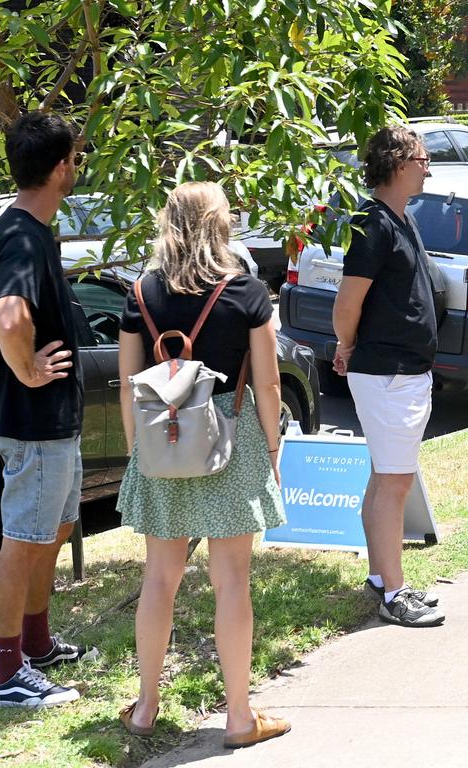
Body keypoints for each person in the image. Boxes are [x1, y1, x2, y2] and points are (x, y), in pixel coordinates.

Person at [116, 181, 289, 748]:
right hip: (230, 438)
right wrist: (273, 448)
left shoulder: (140, 292)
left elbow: (127, 385)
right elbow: (267, 383)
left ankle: (145, 709)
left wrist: (139, 455)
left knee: (159, 578)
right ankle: (239, 717)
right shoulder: (245, 293)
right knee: (231, 581)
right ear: (220, 224)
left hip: (161, 443)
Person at [0, 111, 98, 708]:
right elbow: (10, 316)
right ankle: (5, 674)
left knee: (53, 530)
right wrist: (26, 370)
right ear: (58, 168)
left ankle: (37, 643)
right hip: (34, 427)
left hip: (50, 425)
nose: (77, 166)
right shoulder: (23, 235)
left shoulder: (23, 227)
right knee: (24, 540)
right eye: (74, 158)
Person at [332, 125, 444, 627]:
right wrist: (347, 345)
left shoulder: (397, 218)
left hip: (399, 371)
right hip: (388, 373)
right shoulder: (373, 223)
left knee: (384, 477)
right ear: (399, 164)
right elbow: (347, 303)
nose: (427, 166)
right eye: (421, 158)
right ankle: (395, 595)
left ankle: (382, 576)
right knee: (396, 483)